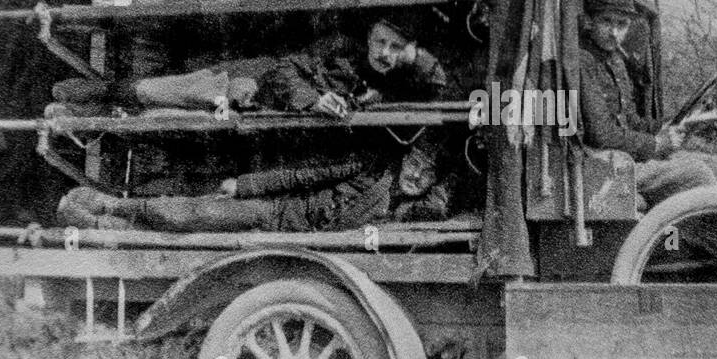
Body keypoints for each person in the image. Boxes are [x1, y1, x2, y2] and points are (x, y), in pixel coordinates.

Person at [51, 17, 448, 118]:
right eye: (380, 41)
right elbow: (283, 69)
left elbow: (440, 86)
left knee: (155, 116)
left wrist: (419, 56)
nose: (385, 53)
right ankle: (84, 95)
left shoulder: (394, 80)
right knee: (153, 92)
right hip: (246, 84)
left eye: (397, 48)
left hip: (257, 111)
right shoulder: (341, 48)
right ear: (368, 37)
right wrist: (315, 99)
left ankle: (81, 112)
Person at [56, 145, 449, 233]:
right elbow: (299, 176)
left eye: (427, 173)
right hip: (277, 213)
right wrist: (244, 186)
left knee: (194, 234)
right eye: (414, 163)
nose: (416, 176)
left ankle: (107, 225)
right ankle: (109, 205)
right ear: (402, 158)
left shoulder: (406, 210)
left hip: (302, 246)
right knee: (195, 213)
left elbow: (438, 207)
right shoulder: (367, 166)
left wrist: (443, 183)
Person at [578, 0, 717, 208]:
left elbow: (630, 120)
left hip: (625, 155)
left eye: (622, 24)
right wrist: (656, 144)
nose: (614, 32)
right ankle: (709, 239)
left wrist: (670, 126)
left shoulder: (614, 60)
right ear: (589, 21)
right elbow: (601, 134)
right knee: (697, 175)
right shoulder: (582, 61)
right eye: (606, 21)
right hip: (603, 162)